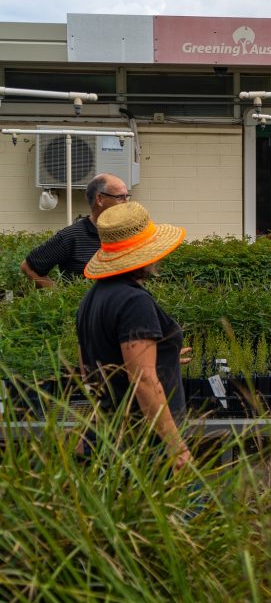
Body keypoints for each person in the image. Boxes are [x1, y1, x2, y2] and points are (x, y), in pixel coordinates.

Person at [75, 201, 191, 471]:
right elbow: (144, 381)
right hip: (146, 443)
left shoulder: (92, 300)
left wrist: (166, 355)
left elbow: (90, 373)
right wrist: (178, 450)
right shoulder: (134, 301)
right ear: (146, 254)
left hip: (111, 434)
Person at [21, 173, 130, 288]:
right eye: (120, 197)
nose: (126, 203)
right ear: (100, 199)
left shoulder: (128, 233)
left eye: (127, 197)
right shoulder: (71, 236)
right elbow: (28, 267)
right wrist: (60, 295)